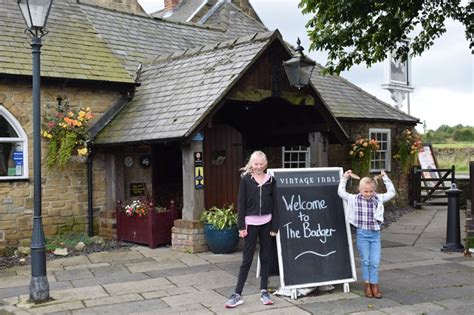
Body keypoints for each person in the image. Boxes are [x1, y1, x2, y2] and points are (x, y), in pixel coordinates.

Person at [225, 151, 279, 308]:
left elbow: (276, 205)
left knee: (266, 257)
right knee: (246, 260)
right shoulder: (246, 181)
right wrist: (241, 226)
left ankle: (264, 291)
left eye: (261, 164)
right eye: (256, 164)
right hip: (250, 224)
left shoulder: (271, 181)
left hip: (267, 224)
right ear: (251, 164)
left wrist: (275, 226)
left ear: (266, 164)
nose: (259, 167)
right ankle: (237, 294)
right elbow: (241, 204)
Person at [337, 169, 396, 299]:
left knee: (374, 261)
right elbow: (341, 192)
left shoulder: (378, 198)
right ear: (359, 189)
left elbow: (392, 192)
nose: (368, 194)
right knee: (365, 260)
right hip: (362, 234)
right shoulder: (354, 199)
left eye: (371, 191)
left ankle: (374, 284)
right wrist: (344, 178)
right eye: (365, 191)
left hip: (375, 235)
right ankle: (367, 284)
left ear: (374, 190)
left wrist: (385, 178)